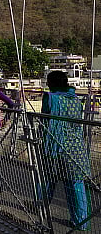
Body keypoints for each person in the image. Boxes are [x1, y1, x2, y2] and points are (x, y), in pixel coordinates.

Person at [39, 71, 91, 230]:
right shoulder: (75, 99)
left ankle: (40, 205)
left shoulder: (51, 98)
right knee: (76, 184)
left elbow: (44, 118)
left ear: (52, 83)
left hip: (56, 145)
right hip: (76, 147)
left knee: (48, 177)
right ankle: (81, 221)